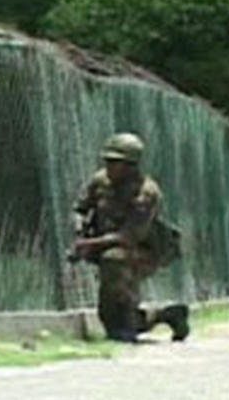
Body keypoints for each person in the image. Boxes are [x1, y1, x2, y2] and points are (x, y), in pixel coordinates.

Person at [71, 132, 189, 343]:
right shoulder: (100, 181)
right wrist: (80, 233)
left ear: (131, 166)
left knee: (114, 261)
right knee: (115, 314)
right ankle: (166, 315)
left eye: (115, 162)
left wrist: (88, 244)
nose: (108, 166)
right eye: (107, 161)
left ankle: (124, 326)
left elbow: (129, 236)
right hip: (106, 247)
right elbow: (80, 209)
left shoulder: (146, 193)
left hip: (144, 251)